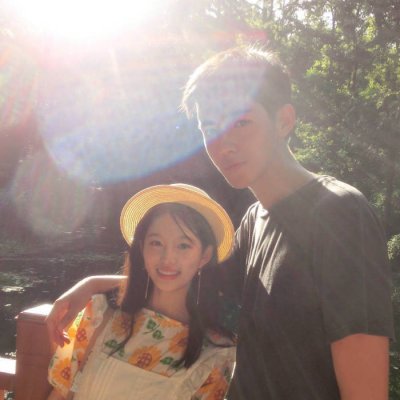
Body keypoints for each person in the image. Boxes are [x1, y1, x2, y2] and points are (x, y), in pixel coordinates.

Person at [47, 46, 394, 400]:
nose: (223, 144)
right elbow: (180, 277)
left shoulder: (339, 213)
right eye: (210, 128)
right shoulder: (254, 223)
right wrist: (91, 285)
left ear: (284, 121)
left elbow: (366, 390)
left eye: (241, 122)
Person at [47, 184, 236, 400]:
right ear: (142, 248)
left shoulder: (215, 354)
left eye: (183, 245)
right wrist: (91, 284)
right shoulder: (100, 315)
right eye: (156, 243)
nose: (167, 258)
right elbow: (60, 395)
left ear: (204, 256)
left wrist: (92, 283)